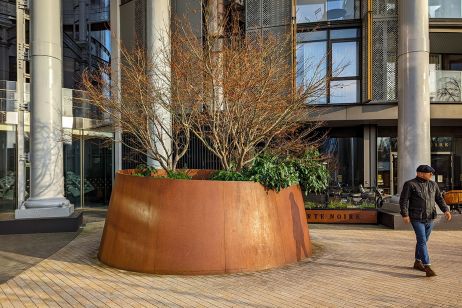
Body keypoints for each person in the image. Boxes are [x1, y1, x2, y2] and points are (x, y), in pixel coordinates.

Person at [399, 164, 452, 277]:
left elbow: (439, 198)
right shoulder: (410, 184)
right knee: (422, 240)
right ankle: (427, 265)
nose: (431, 175)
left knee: (424, 240)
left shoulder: (433, 184)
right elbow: (403, 201)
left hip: (430, 218)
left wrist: (446, 210)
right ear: (421, 173)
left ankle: (417, 262)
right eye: (430, 173)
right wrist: (405, 214)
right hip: (416, 217)